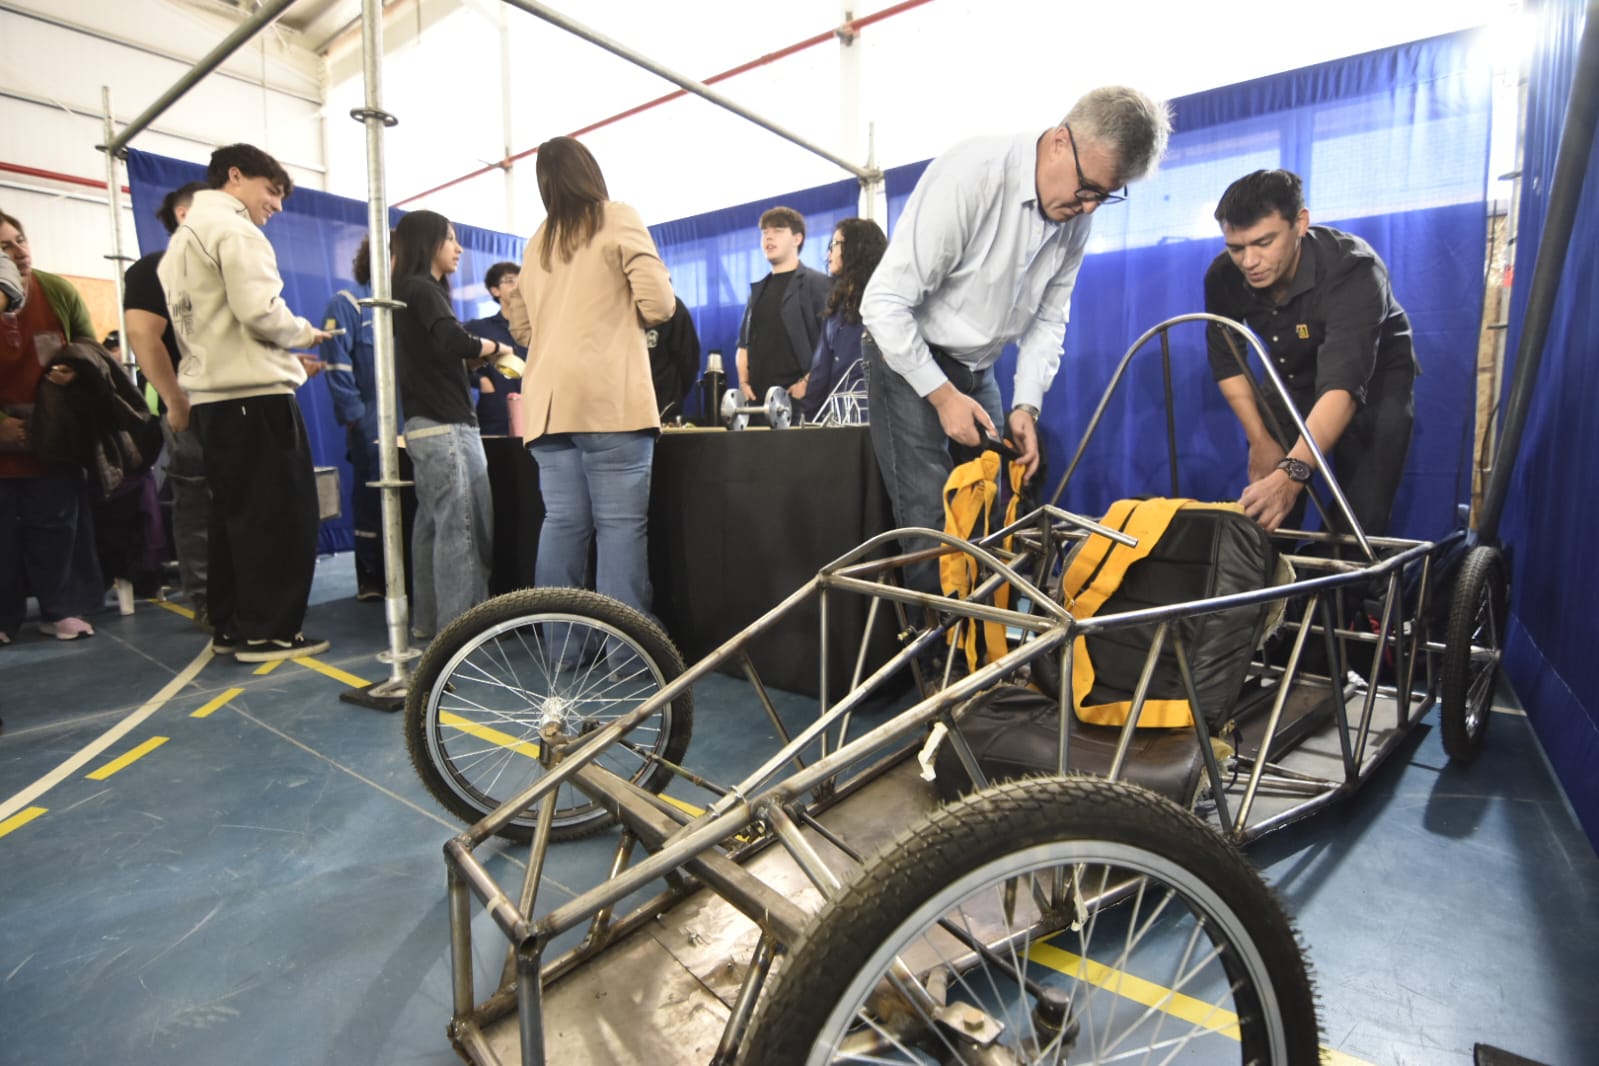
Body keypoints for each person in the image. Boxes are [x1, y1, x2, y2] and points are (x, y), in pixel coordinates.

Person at [860, 86, 1172, 591]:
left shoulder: (1075, 213)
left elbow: (1050, 318)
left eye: (1105, 196)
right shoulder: (972, 175)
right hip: (907, 354)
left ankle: (982, 647)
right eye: (1088, 187)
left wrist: (1026, 405)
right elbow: (882, 304)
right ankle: (937, 659)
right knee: (931, 517)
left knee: (989, 508)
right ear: (1058, 143)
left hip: (978, 365)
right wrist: (942, 396)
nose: (1089, 208)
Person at [158, 143, 332, 662]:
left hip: (214, 400)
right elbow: (260, 311)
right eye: (271, 190)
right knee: (280, 517)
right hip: (254, 401)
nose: (275, 205)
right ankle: (271, 632)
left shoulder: (181, 240)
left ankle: (233, 627)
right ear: (235, 176)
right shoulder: (235, 230)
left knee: (233, 519)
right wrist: (305, 332)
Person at [505, 136, 673, 619]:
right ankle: (626, 659)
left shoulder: (536, 242)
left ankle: (562, 654)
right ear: (590, 172)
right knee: (620, 528)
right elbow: (659, 304)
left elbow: (521, 329)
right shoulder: (616, 216)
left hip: (548, 408)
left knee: (561, 525)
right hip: (609, 400)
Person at [1204, 169, 1418, 538]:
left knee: (1358, 522)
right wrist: (1260, 440)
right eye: (1236, 248)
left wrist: (1295, 472)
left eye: (1264, 242)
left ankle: (1348, 588)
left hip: (1371, 383)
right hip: (1294, 377)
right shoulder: (1224, 276)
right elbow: (1227, 358)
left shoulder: (1354, 269)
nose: (1249, 261)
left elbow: (1343, 384)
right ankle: (1279, 593)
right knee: (1268, 514)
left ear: (1300, 223)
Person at [390, 209, 502, 639]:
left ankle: (430, 624)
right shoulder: (423, 288)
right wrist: (492, 346)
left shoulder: (408, 291)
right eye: (450, 238)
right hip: (447, 427)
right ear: (428, 242)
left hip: (423, 425)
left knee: (433, 529)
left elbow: (439, 352)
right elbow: (455, 340)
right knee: (463, 533)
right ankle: (458, 635)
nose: (458, 248)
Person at [0, 209, 103, 643]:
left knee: (56, 525)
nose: (19, 251)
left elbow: (90, 348)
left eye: (20, 239)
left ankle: (60, 609)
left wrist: (75, 371)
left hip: (52, 432)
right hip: (3, 432)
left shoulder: (56, 289)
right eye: (5, 246)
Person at [125, 180, 210, 623]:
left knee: (230, 499)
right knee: (195, 497)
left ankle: (232, 589)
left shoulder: (219, 272)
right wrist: (176, 401)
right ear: (184, 214)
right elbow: (144, 338)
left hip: (226, 401)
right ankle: (204, 594)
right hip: (186, 403)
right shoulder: (154, 269)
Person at [319, 236, 388, 601]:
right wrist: (358, 418)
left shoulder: (404, 308)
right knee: (371, 498)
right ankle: (371, 576)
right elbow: (337, 366)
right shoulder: (348, 304)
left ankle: (402, 575)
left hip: (410, 421)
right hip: (371, 423)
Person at [735, 206, 830, 407]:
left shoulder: (818, 284)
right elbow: (743, 345)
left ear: (797, 239)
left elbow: (830, 342)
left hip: (800, 401)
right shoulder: (757, 292)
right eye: (764, 233)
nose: (769, 238)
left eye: (777, 231)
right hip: (758, 403)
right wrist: (743, 383)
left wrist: (807, 382)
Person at [797, 217, 886, 423]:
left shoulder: (883, 301)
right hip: (841, 419)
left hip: (879, 419)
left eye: (834, 244)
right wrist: (805, 421)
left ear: (856, 247)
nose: (828, 253)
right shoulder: (837, 307)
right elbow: (821, 371)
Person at [462, 261, 526, 436]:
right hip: (496, 415)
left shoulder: (537, 327)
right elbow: (451, 359)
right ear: (495, 290)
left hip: (534, 414)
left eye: (522, 280)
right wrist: (480, 380)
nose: (518, 285)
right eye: (511, 280)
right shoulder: (479, 328)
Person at [646, 296, 700, 421]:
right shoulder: (618, 309)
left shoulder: (673, 308)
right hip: (621, 416)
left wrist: (673, 397)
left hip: (665, 411)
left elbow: (689, 361)